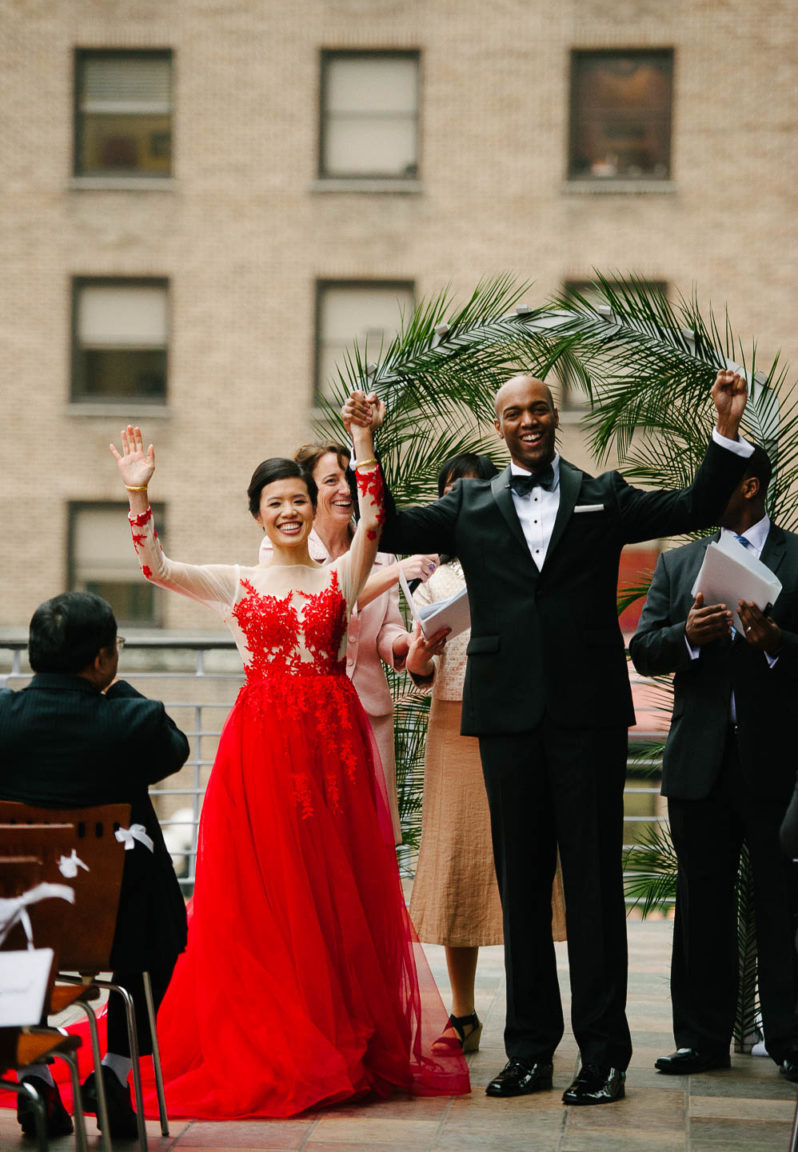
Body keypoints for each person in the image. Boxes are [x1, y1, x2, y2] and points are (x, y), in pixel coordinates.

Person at [344, 368, 751, 1105]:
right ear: (496, 426)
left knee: (593, 888)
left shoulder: (605, 493)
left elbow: (694, 502)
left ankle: (604, 1058)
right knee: (521, 885)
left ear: (554, 417)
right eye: (512, 413)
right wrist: (364, 442)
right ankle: (529, 1051)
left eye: (538, 409)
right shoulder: (469, 502)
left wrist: (723, 428)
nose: (527, 421)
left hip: (588, 715)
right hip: (503, 717)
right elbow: (390, 527)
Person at [109, 422, 469, 1119]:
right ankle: (279, 1031)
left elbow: (372, 522)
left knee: (334, 890)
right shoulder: (236, 582)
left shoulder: (343, 574)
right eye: (275, 502)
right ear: (257, 514)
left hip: (332, 749)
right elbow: (155, 567)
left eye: (299, 499)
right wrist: (137, 492)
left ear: (312, 506)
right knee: (270, 892)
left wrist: (364, 445)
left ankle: (337, 1027)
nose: (289, 511)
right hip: (263, 752)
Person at [629, 446, 798, 1081]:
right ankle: (701, 1041)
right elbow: (645, 650)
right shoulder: (678, 564)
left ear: (749, 484)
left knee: (781, 901)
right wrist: (688, 641)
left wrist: (778, 644)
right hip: (700, 761)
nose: (703, 490)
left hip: (775, 760)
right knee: (701, 906)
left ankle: (790, 1038)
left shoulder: (797, 556)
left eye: (719, 480)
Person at [0, 591, 189, 1139]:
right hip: (122, 931)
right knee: (162, 923)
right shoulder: (133, 719)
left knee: (14, 935)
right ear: (104, 659)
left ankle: (35, 1076)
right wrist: (122, 692)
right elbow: (172, 751)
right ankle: (114, 1072)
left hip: (20, 927)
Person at [405, 452, 566, 1056]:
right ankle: (464, 1012)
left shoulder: (525, 566)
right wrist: (423, 652)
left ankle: (536, 1010)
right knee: (456, 865)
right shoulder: (430, 582)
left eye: (477, 491)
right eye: (453, 493)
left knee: (523, 863)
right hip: (453, 726)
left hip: (521, 722)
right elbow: (418, 671)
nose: (465, 502)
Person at [259, 441, 438, 841]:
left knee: (369, 839)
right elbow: (316, 611)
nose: (345, 489)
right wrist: (394, 574)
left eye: (351, 480)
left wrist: (406, 644)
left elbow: (386, 627)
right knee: (316, 834)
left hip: (368, 716)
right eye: (331, 480)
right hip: (311, 717)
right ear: (308, 492)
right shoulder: (280, 546)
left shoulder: (378, 550)